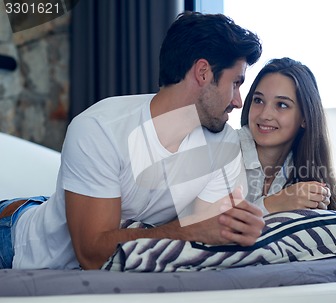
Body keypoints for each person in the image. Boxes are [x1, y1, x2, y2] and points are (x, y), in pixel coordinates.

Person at [0, 11, 265, 270]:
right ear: (203, 73)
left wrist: (233, 228)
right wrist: (193, 230)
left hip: (71, 207)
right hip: (16, 242)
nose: (238, 101)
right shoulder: (100, 129)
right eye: (235, 83)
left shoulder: (224, 145)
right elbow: (92, 255)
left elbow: (207, 238)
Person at [238, 57, 336, 215]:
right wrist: (276, 203)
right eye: (258, 100)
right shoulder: (224, 148)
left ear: (305, 117)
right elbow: (212, 226)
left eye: (282, 105)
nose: (265, 114)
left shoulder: (304, 174)